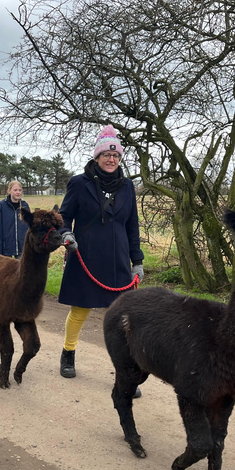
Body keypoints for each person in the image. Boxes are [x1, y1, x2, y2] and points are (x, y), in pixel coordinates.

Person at [57, 125, 144, 387]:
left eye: (116, 156)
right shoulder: (79, 183)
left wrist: (137, 261)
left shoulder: (127, 186)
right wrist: (65, 235)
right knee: (80, 310)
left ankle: (124, 371)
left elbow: (132, 226)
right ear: (97, 157)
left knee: (119, 319)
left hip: (117, 260)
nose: (111, 159)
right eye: (106, 154)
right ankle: (68, 353)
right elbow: (64, 217)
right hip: (85, 255)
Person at [0, 180, 31, 259]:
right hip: (6, 248)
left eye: (20, 190)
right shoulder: (1, 206)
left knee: (21, 270)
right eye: (15, 190)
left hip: (22, 248)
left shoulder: (24, 206)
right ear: (9, 191)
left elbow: (29, 228)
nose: (18, 192)